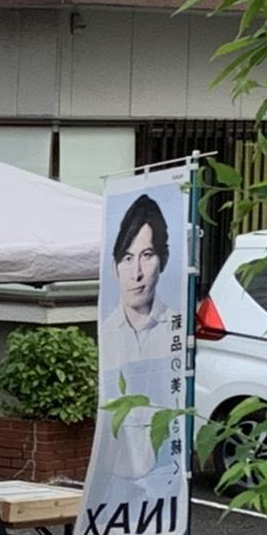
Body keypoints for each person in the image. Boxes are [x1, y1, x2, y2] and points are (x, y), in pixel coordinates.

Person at [100, 194, 177, 479]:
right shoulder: (106, 333)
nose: (137, 273)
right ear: (114, 267)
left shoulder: (176, 328)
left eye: (147, 255)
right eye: (127, 258)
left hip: (167, 472)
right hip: (113, 477)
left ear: (163, 260)